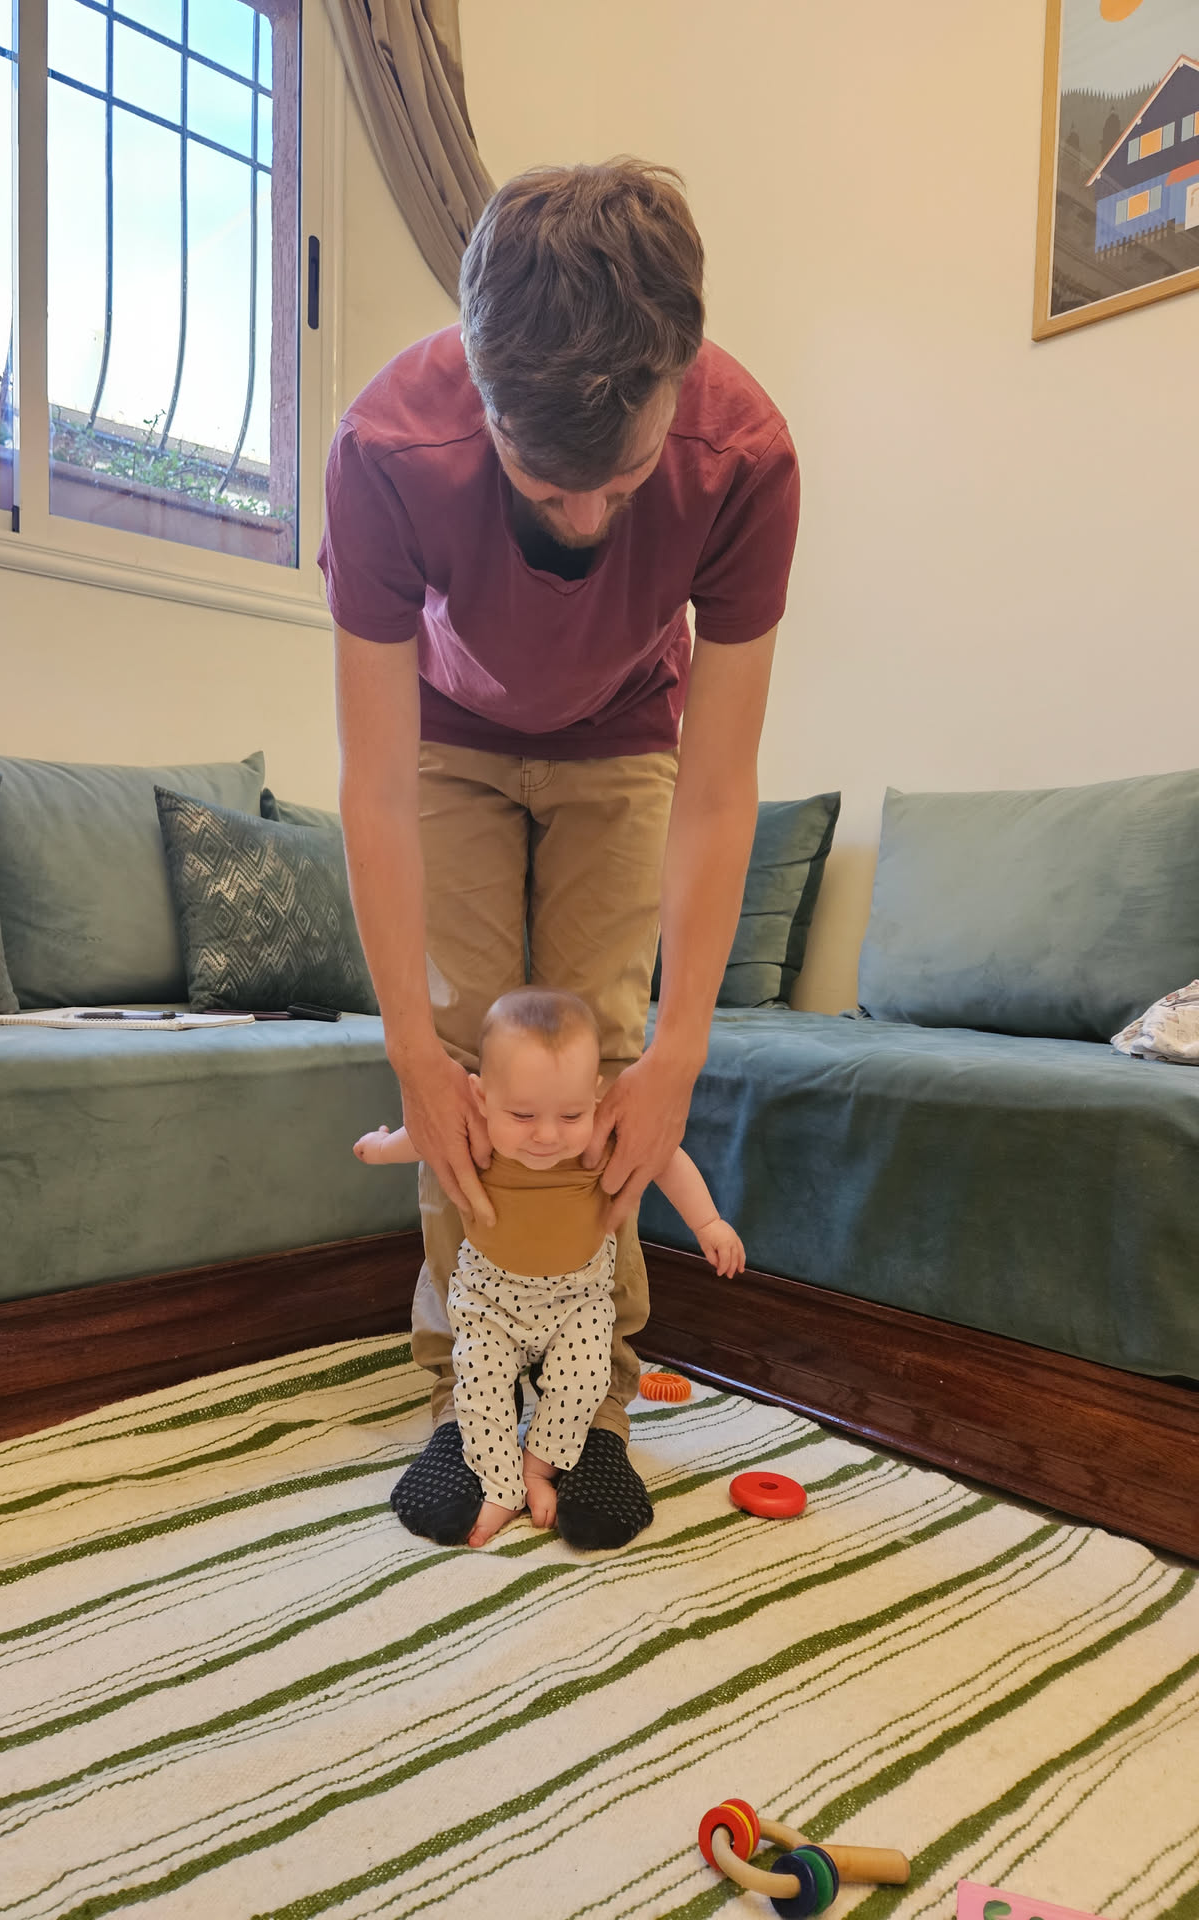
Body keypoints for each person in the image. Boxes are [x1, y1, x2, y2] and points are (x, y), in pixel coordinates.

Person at [319, 158, 799, 1551]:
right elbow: (373, 787)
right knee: (467, 1068)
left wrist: (683, 1051)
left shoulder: (744, 458)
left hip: (628, 742)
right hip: (444, 743)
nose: (587, 522)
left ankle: (591, 1421)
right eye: (548, 487)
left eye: (622, 483)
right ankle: (460, 1405)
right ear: (481, 397)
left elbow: (719, 788)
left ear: (680, 382)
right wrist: (412, 1047)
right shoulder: (386, 450)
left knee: (603, 1068)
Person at [354, 988, 744, 1548]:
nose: (546, 1134)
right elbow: (418, 1139)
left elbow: (666, 1161)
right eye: (522, 1114)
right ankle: (500, 1485)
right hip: (488, 1302)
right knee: (480, 1389)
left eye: (571, 1114)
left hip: (578, 1301)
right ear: (480, 1096)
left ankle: (538, 1468)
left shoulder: (603, 1137)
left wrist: (708, 1223)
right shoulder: (476, 1128)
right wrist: (378, 1146)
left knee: (583, 1382)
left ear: (597, 1095)